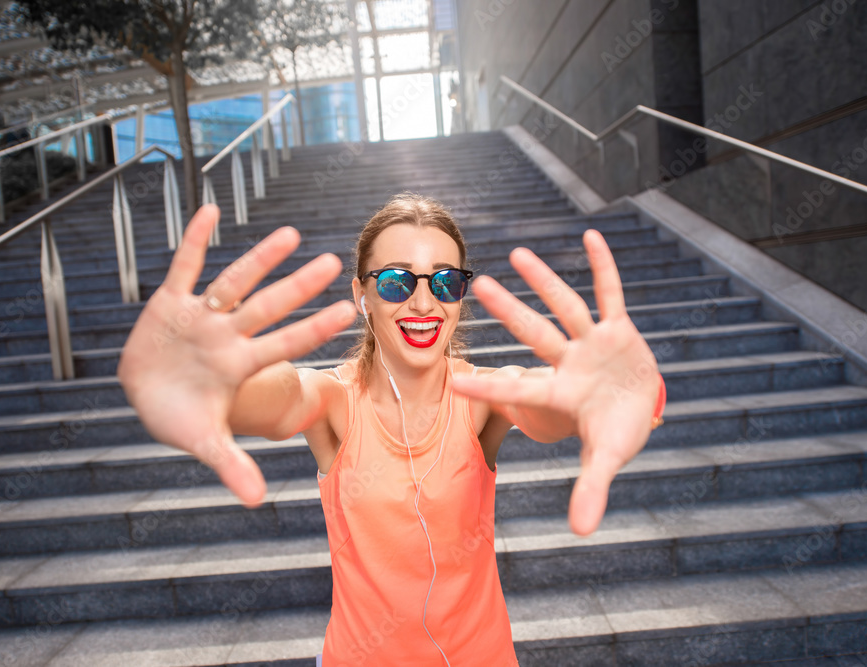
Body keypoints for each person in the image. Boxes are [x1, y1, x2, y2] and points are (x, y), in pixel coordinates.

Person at [117, 193, 666, 666]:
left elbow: (547, 406)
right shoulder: (334, 399)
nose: (424, 302)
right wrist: (215, 384)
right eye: (397, 281)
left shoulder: (484, 395)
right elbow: (282, 397)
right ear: (362, 295)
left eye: (445, 282)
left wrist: (616, 393)